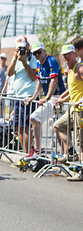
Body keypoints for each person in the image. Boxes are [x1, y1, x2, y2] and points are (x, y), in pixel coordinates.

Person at [53, 44, 83, 181]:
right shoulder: (70, 70)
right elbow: (73, 91)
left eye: (68, 54)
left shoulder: (80, 68)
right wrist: (61, 99)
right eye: (64, 55)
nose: (66, 57)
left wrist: (82, 100)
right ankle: (71, 151)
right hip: (73, 109)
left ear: (74, 54)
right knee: (58, 126)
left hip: (82, 111)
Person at [29, 42, 65, 156]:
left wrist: (47, 98)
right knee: (55, 127)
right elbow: (39, 81)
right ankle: (63, 154)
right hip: (51, 98)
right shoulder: (39, 64)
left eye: (39, 52)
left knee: (36, 118)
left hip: (57, 97)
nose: (37, 55)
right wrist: (34, 97)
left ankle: (39, 149)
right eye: (34, 53)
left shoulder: (51, 61)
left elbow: (54, 81)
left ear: (44, 51)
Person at [7, 35, 38, 165]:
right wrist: (15, 58)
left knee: (25, 127)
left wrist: (24, 61)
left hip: (27, 97)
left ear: (28, 45)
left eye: (23, 47)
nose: (21, 50)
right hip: (17, 96)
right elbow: (9, 73)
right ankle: (24, 154)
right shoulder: (17, 58)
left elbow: (33, 77)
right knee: (16, 126)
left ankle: (27, 155)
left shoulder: (32, 58)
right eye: (19, 48)